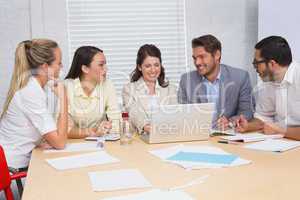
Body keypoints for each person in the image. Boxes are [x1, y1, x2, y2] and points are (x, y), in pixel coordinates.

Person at [0, 39, 68, 169]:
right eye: (59, 63)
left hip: (24, 160)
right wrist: (64, 99)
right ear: (45, 67)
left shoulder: (39, 87)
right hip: (11, 167)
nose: (61, 67)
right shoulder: (30, 92)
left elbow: (50, 131)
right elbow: (60, 143)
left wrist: (46, 139)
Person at [178, 34, 254, 129]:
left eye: (202, 57)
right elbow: (183, 115)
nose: (197, 62)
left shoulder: (240, 77)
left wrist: (230, 122)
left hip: (228, 135)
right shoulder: (186, 80)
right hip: (199, 136)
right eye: (194, 58)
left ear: (217, 55)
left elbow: (247, 112)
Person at [235, 36, 300, 140]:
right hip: (282, 142)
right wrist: (248, 126)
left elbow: (277, 129)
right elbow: (264, 117)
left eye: (256, 63)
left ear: (272, 64)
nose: (255, 68)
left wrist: (281, 131)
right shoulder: (267, 82)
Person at [64, 46, 120, 138]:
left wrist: (108, 127)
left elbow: (116, 121)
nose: (106, 69)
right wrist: (93, 131)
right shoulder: (66, 87)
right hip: (72, 145)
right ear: (85, 68)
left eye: (105, 64)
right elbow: (65, 129)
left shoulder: (107, 85)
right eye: (101, 65)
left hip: (100, 143)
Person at [122, 44, 177, 134]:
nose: (153, 70)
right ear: (139, 67)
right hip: (140, 138)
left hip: (165, 135)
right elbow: (134, 112)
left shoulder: (171, 89)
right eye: (148, 66)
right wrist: (145, 126)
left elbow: (174, 115)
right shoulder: (129, 89)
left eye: (156, 65)